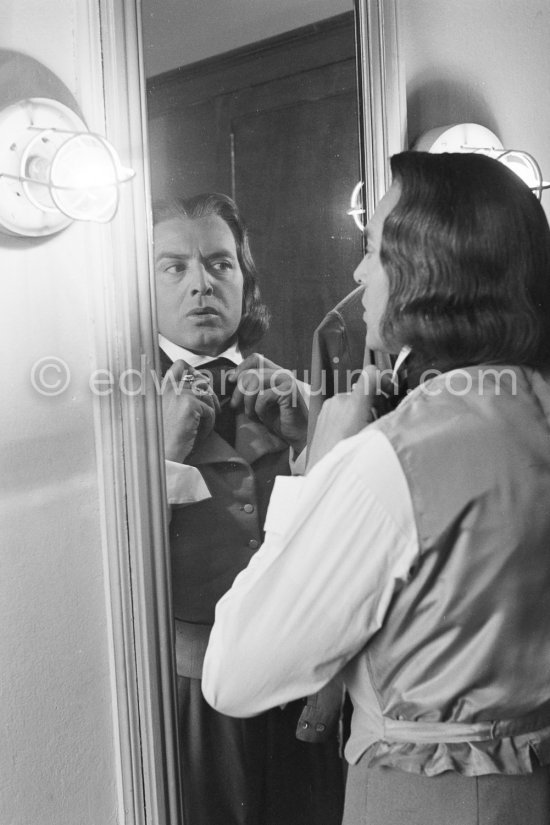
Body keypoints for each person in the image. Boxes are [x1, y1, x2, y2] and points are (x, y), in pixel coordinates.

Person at [202, 152, 550, 825]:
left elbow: (234, 674)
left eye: (372, 250)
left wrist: (318, 475)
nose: (360, 272)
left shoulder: (390, 459)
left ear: (424, 270)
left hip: (429, 802)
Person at [153, 192, 344, 825]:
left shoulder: (301, 396)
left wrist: (301, 446)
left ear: (244, 278)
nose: (201, 284)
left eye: (219, 263)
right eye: (173, 267)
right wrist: (165, 452)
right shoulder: (111, 410)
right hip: (185, 697)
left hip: (297, 685)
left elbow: (345, 549)